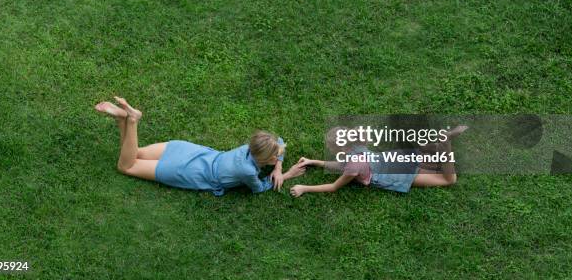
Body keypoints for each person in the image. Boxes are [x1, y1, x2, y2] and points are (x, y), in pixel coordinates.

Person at [94, 96, 305, 196]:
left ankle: (122, 119)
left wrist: (277, 166)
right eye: (275, 157)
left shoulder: (250, 146)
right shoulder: (247, 171)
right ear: (265, 159)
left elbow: (279, 144)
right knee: (126, 166)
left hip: (188, 150)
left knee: (134, 153)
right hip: (188, 171)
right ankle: (132, 121)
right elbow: (259, 188)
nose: (279, 155)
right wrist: (287, 174)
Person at [289, 125, 468, 197]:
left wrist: (304, 188)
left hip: (393, 173)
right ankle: (440, 143)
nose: (329, 150)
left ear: (342, 148)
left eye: (330, 148)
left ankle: (445, 144)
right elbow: (342, 165)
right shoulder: (357, 145)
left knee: (447, 179)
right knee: (429, 161)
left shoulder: (353, 165)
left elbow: (334, 186)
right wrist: (314, 161)